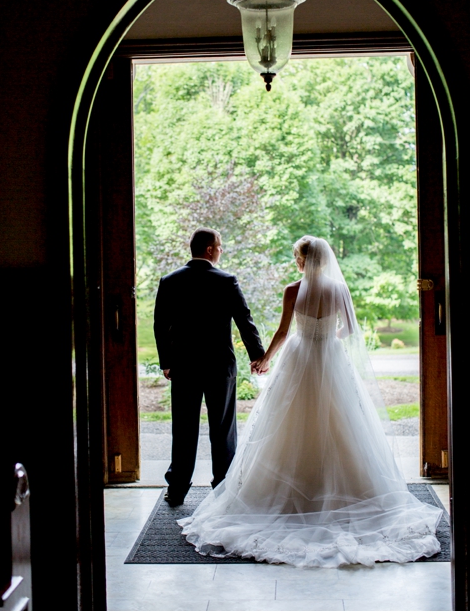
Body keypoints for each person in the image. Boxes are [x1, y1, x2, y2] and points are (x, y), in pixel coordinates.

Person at [178, 235, 444, 567]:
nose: (296, 263)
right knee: (341, 424)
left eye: (297, 258)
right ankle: (345, 493)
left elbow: (283, 332)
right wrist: (328, 338)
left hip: (299, 358)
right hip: (330, 358)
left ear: (303, 260)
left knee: (289, 425)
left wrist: (265, 360)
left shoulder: (293, 290)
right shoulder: (338, 290)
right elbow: (349, 329)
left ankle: (290, 495)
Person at [153, 228, 265, 506]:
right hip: (219, 366)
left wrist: (166, 362)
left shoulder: (170, 281)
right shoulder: (226, 281)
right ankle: (223, 488)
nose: (221, 250)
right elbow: (244, 320)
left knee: (183, 428)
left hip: (184, 366)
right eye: (220, 246)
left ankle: (177, 489)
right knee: (223, 427)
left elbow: (160, 326)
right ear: (210, 250)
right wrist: (257, 355)